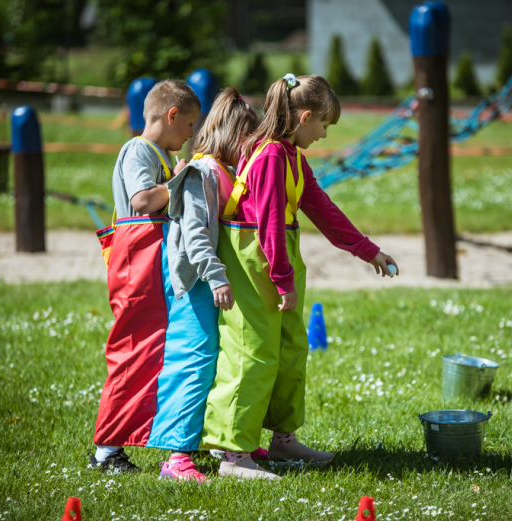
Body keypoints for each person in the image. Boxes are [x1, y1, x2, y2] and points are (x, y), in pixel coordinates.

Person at [202, 74, 399, 480]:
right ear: (304, 116)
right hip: (255, 261)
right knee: (251, 352)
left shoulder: (293, 157)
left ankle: (282, 440)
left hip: (278, 259)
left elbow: (324, 211)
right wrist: (283, 281)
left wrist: (368, 250)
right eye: (324, 125)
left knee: (291, 348)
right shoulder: (271, 156)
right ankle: (232, 455)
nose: (325, 134)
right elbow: (269, 225)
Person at [90, 79, 199, 474]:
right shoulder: (139, 150)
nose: (190, 134)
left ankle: (160, 436)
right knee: (132, 352)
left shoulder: (161, 156)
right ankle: (105, 451)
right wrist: (180, 180)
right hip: (135, 266)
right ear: (171, 116)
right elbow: (142, 200)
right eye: (189, 125)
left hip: (154, 265)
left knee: (154, 354)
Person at [157, 86, 261, 482]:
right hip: (195, 286)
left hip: (207, 285)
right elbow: (196, 235)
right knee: (192, 365)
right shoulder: (201, 173)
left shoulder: (222, 172)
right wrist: (217, 276)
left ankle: (218, 441)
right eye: (248, 143)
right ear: (233, 137)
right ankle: (176, 459)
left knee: (214, 363)